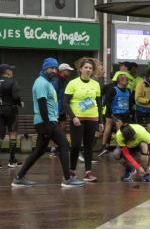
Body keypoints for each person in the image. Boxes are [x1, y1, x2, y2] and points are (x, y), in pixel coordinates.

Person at [11, 59, 83, 188]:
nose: (54, 71)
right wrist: (48, 125)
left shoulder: (47, 82)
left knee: (39, 150)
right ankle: (67, 179)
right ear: (45, 68)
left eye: (56, 68)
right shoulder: (41, 83)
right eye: (51, 68)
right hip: (46, 121)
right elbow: (42, 104)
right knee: (64, 144)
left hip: (47, 121)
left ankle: (19, 178)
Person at [64, 57, 102, 182]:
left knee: (88, 146)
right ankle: (72, 171)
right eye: (86, 67)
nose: (88, 70)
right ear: (80, 69)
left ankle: (88, 172)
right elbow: (65, 103)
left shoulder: (96, 84)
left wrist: (100, 121)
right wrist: (73, 117)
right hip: (77, 118)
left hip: (92, 117)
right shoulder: (73, 83)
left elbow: (99, 103)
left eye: (90, 68)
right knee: (75, 145)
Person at [1, 63, 24, 168]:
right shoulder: (13, 82)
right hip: (11, 110)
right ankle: (12, 160)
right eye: (11, 69)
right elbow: (15, 96)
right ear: (7, 72)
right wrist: (20, 102)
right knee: (13, 134)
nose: (12, 71)